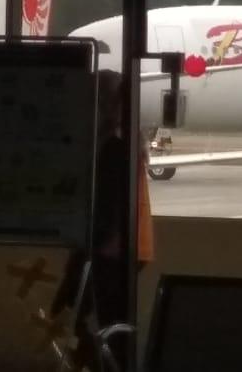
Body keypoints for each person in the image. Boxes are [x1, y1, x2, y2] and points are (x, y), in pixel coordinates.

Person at [53, 68, 154, 370]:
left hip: (109, 249)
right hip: (126, 247)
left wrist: (85, 251)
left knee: (73, 314)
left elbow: (107, 209)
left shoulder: (112, 147)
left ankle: (95, 365)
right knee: (106, 320)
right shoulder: (127, 140)